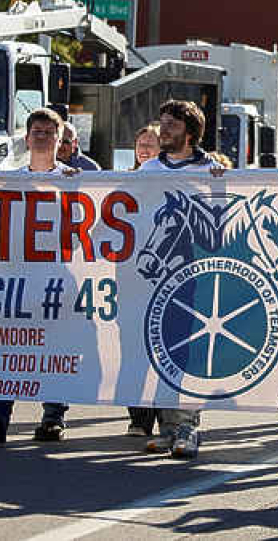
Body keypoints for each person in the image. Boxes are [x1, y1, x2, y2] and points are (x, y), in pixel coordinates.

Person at [0, 107, 78, 445]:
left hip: (54, 280)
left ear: (60, 140)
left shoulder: (77, 180)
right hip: (11, 280)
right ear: (27, 138)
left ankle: (52, 416)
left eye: (50, 132)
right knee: (4, 345)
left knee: (53, 346)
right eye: (37, 132)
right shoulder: (8, 179)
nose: (43, 137)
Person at [136, 99, 224, 459]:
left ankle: (188, 425)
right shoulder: (148, 169)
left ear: (190, 132)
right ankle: (168, 428)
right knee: (158, 347)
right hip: (155, 277)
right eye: (162, 123)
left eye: (172, 125)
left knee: (188, 351)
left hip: (197, 277)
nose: (164, 130)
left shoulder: (211, 169)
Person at [126, 122, 162, 437]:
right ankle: (139, 417)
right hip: (128, 278)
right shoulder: (120, 181)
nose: (146, 148)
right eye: (141, 143)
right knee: (132, 347)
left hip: (164, 278)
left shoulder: (176, 179)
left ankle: (167, 415)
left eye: (152, 143)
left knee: (164, 345)